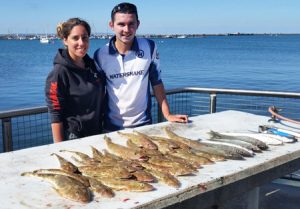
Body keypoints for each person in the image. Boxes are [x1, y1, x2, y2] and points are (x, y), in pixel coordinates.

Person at [94, 2, 188, 131]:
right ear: (112, 25)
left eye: (131, 24)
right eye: (121, 24)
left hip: (144, 125)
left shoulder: (149, 47)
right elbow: (98, 92)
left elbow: (157, 82)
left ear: (138, 24)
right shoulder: (100, 55)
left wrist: (167, 114)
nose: (126, 30)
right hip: (110, 127)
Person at [45, 17, 105, 142]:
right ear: (65, 40)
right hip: (74, 138)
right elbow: (55, 114)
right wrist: (60, 148)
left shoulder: (92, 66)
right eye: (75, 38)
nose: (81, 43)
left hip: (98, 134)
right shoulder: (59, 73)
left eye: (85, 37)